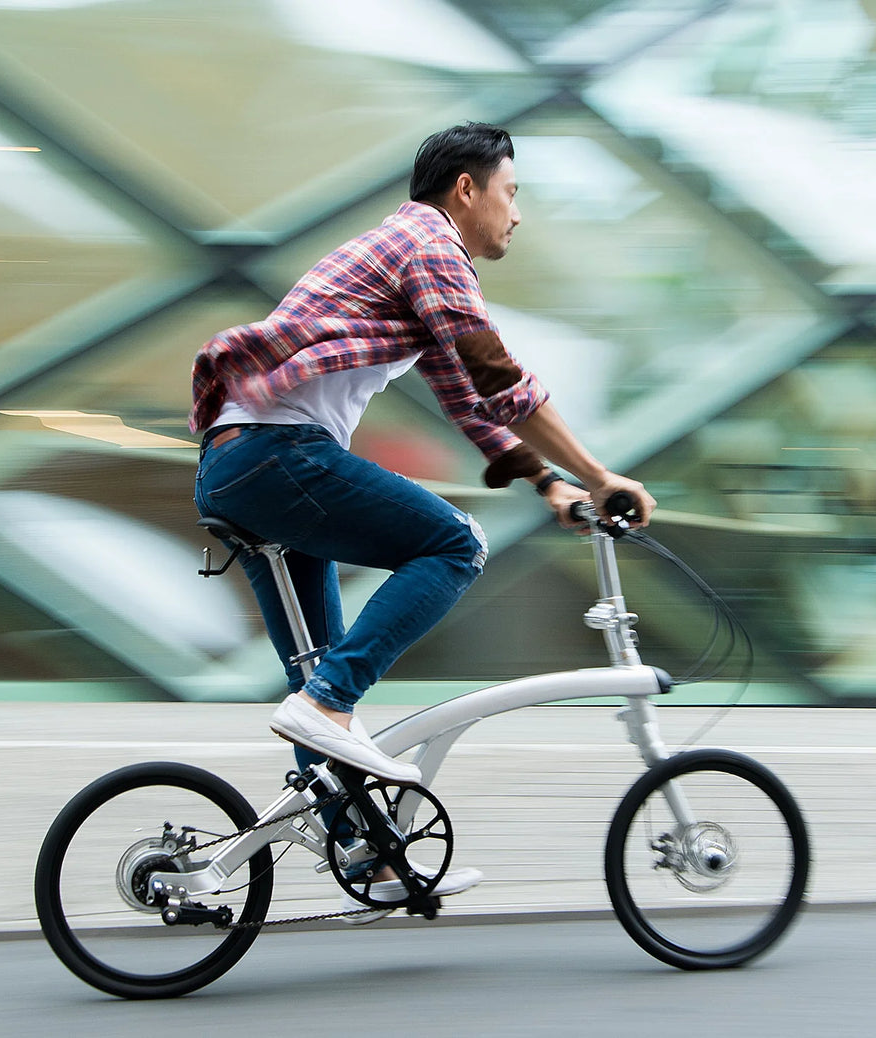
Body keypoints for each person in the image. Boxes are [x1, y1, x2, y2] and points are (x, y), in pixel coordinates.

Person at [190, 122, 656, 920]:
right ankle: (329, 703)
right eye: (512, 193)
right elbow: (500, 380)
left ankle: (361, 852)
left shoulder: (413, 257)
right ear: (466, 189)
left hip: (243, 465)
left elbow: (467, 401)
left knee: (315, 673)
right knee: (453, 543)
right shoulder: (428, 243)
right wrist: (600, 475)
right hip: (275, 455)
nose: (519, 214)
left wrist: (546, 484)